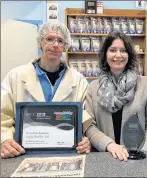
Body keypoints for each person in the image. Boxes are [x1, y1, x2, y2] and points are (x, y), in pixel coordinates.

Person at [1, 21, 92, 159]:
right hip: (22, 154)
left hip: (66, 154)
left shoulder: (79, 80)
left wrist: (86, 140)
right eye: (49, 39)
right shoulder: (15, 76)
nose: (55, 45)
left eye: (60, 40)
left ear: (65, 46)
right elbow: (3, 116)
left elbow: (85, 119)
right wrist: (5, 140)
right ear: (40, 42)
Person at [84, 31, 147, 161]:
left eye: (123, 51)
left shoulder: (145, 85)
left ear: (129, 55)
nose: (118, 55)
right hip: (105, 156)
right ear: (105, 55)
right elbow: (90, 126)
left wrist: (144, 151)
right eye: (112, 50)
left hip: (138, 158)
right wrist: (110, 145)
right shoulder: (93, 88)